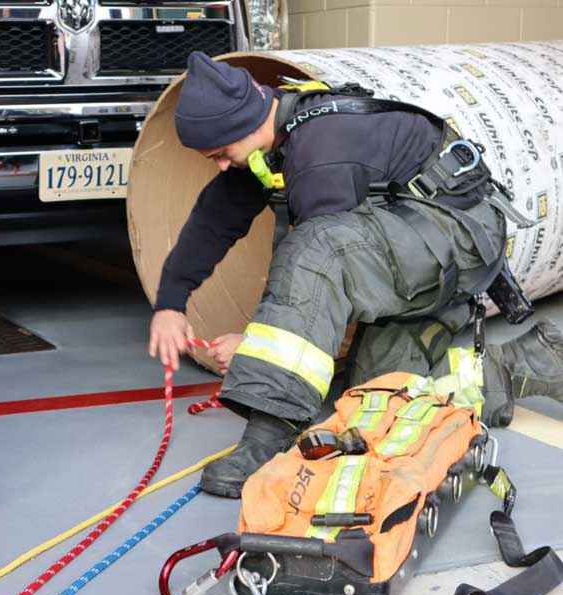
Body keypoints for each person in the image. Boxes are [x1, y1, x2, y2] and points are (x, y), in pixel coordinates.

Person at [148, 51, 563, 499]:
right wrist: (171, 303)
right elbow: (213, 221)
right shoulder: (271, 142)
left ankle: (268, 437)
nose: (222, 164)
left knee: (317, 249)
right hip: (411, 245)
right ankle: (530, 363)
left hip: (455, 235)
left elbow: (317, 276)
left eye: (222, 153)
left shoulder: (319, 153)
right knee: (376, 399)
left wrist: (253, 345)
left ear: (243, 125)